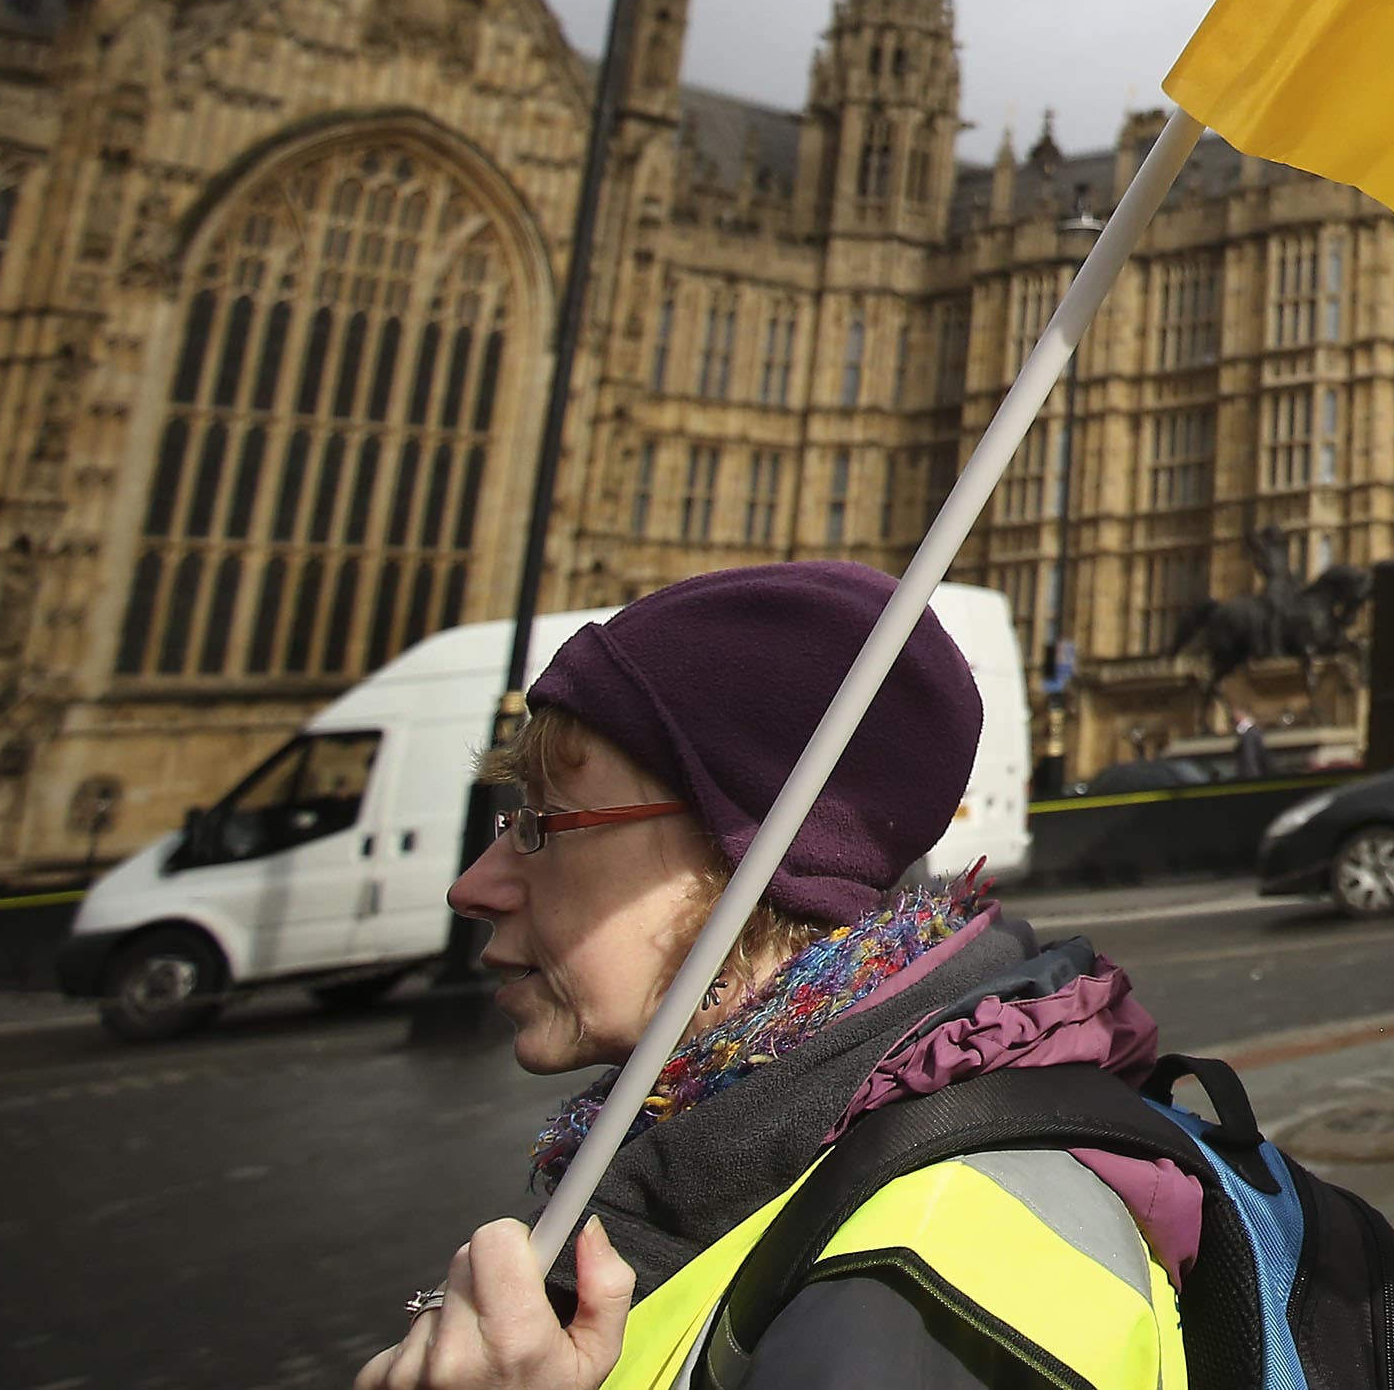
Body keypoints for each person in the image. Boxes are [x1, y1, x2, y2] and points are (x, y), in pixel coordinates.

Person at [355, 563, 1219, 1390]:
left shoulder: (925, 1269)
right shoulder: (730, 1156)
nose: (471, 887)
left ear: (745, 858)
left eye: (541, 824)